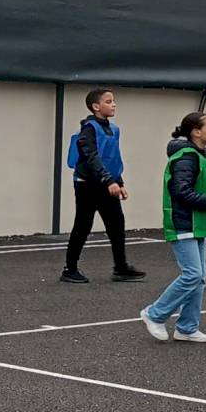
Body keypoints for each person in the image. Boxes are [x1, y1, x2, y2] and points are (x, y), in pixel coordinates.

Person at [140, 113, 206, 343]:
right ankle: (154, 314)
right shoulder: (185, 158)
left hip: (197, 223)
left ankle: (187, 327)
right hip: (182, 222)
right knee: (193, 274)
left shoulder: (203, 156)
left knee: (199, 278)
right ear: (196, 132)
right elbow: (181, 192)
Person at [62, 88, 146, 284]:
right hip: (87, 183)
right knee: (83, 225)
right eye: (108, 101)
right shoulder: (89, 128)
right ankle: (69, 269)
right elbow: (91, 157)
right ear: (96, 106)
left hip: (107, 182)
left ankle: (121, 267)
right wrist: (109, 180)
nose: (114, 104)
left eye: (113, 101)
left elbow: (113, 157)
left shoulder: (114, 129)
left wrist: (119, 181)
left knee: (117, 224)